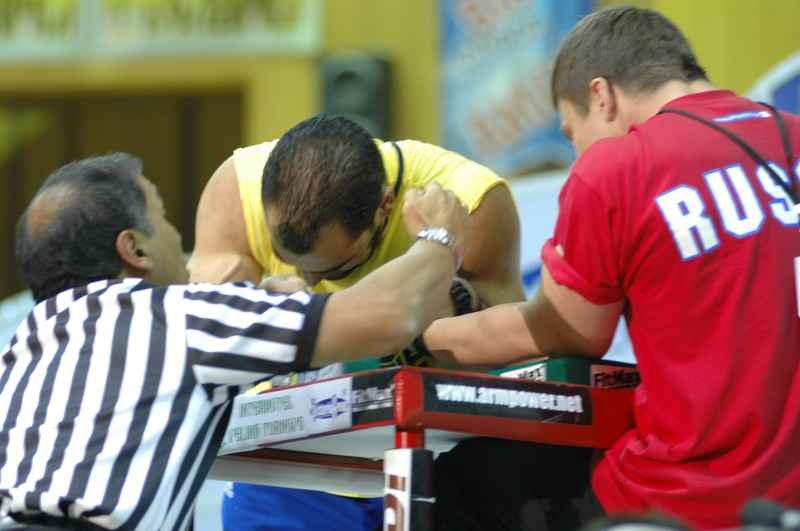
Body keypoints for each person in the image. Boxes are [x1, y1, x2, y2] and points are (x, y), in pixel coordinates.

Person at [423, 6, 800, 530]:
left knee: (454, 480)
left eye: (571, 131)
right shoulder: (791, 135)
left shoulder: (617, 167)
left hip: (685, 497)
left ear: (602, 96)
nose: (576, 153)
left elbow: (568, 329)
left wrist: (428, 336)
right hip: (787, 497)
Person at [0, 152, 469, 531]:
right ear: (135, 249)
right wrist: (440, 237)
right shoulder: (175, 315)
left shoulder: (23, 349)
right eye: (164, 219)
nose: (179, 237)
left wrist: (261, 303)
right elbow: (386, 316)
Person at [187, 114, 525, 530]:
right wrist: (257, 302)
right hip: (291, 469)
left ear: (386, 205)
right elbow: (205, 346)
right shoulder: (236, 191)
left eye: (335, 266)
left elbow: (506, 370)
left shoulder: (470, 202)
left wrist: (447, 289)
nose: (313, 281)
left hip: (428, 462)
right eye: (292, 261)